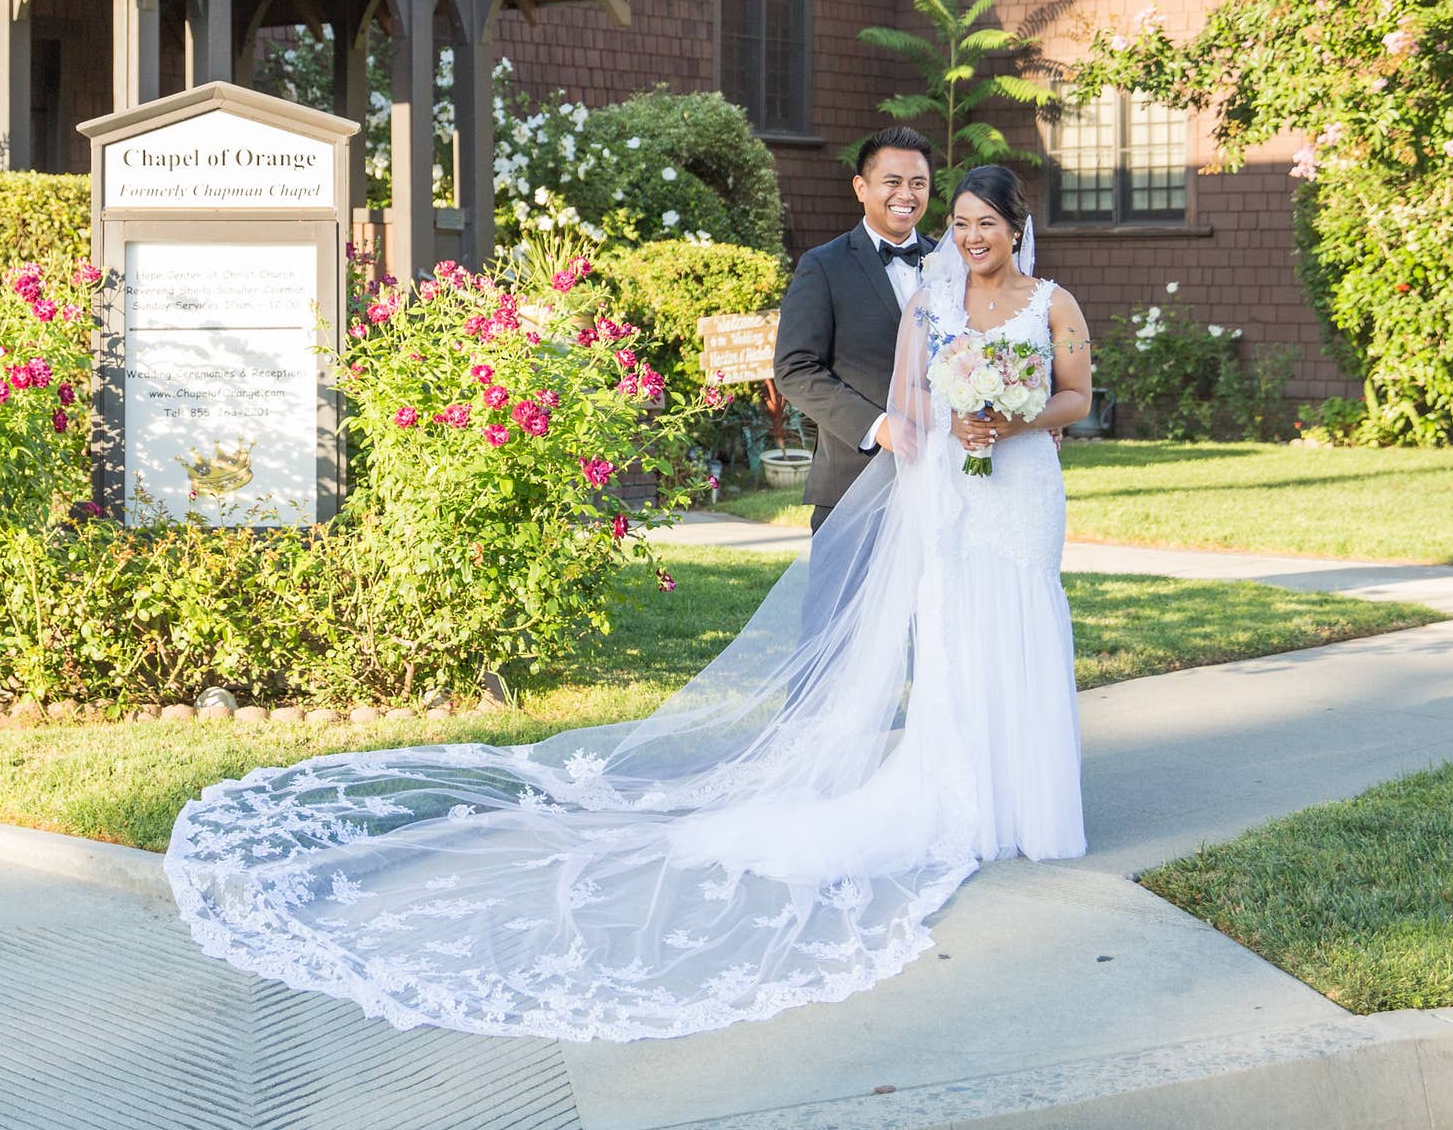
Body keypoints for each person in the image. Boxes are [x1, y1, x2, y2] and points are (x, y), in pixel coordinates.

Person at [165, 163, 1096, 1042]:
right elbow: (908, 401)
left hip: (1020, 491)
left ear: (1016, 228)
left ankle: (1029, 801)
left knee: (1023, 623)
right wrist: (952, 423)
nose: (969, 237)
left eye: (985, 223)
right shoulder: (929, 303)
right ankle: (968, 800)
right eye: (960, 223)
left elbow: (1077, 397)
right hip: (955, 490)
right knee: (957, 639)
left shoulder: (1056, 304)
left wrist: (1014, 418)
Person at [774, 126, 934, 536]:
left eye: (918, 183)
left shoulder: (949, 263)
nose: (907, 194)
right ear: (861, 187)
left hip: (941, 479)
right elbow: (795, 368)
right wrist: (878, 426)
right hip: (853, 481)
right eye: (892, 182)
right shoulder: (823, 266)